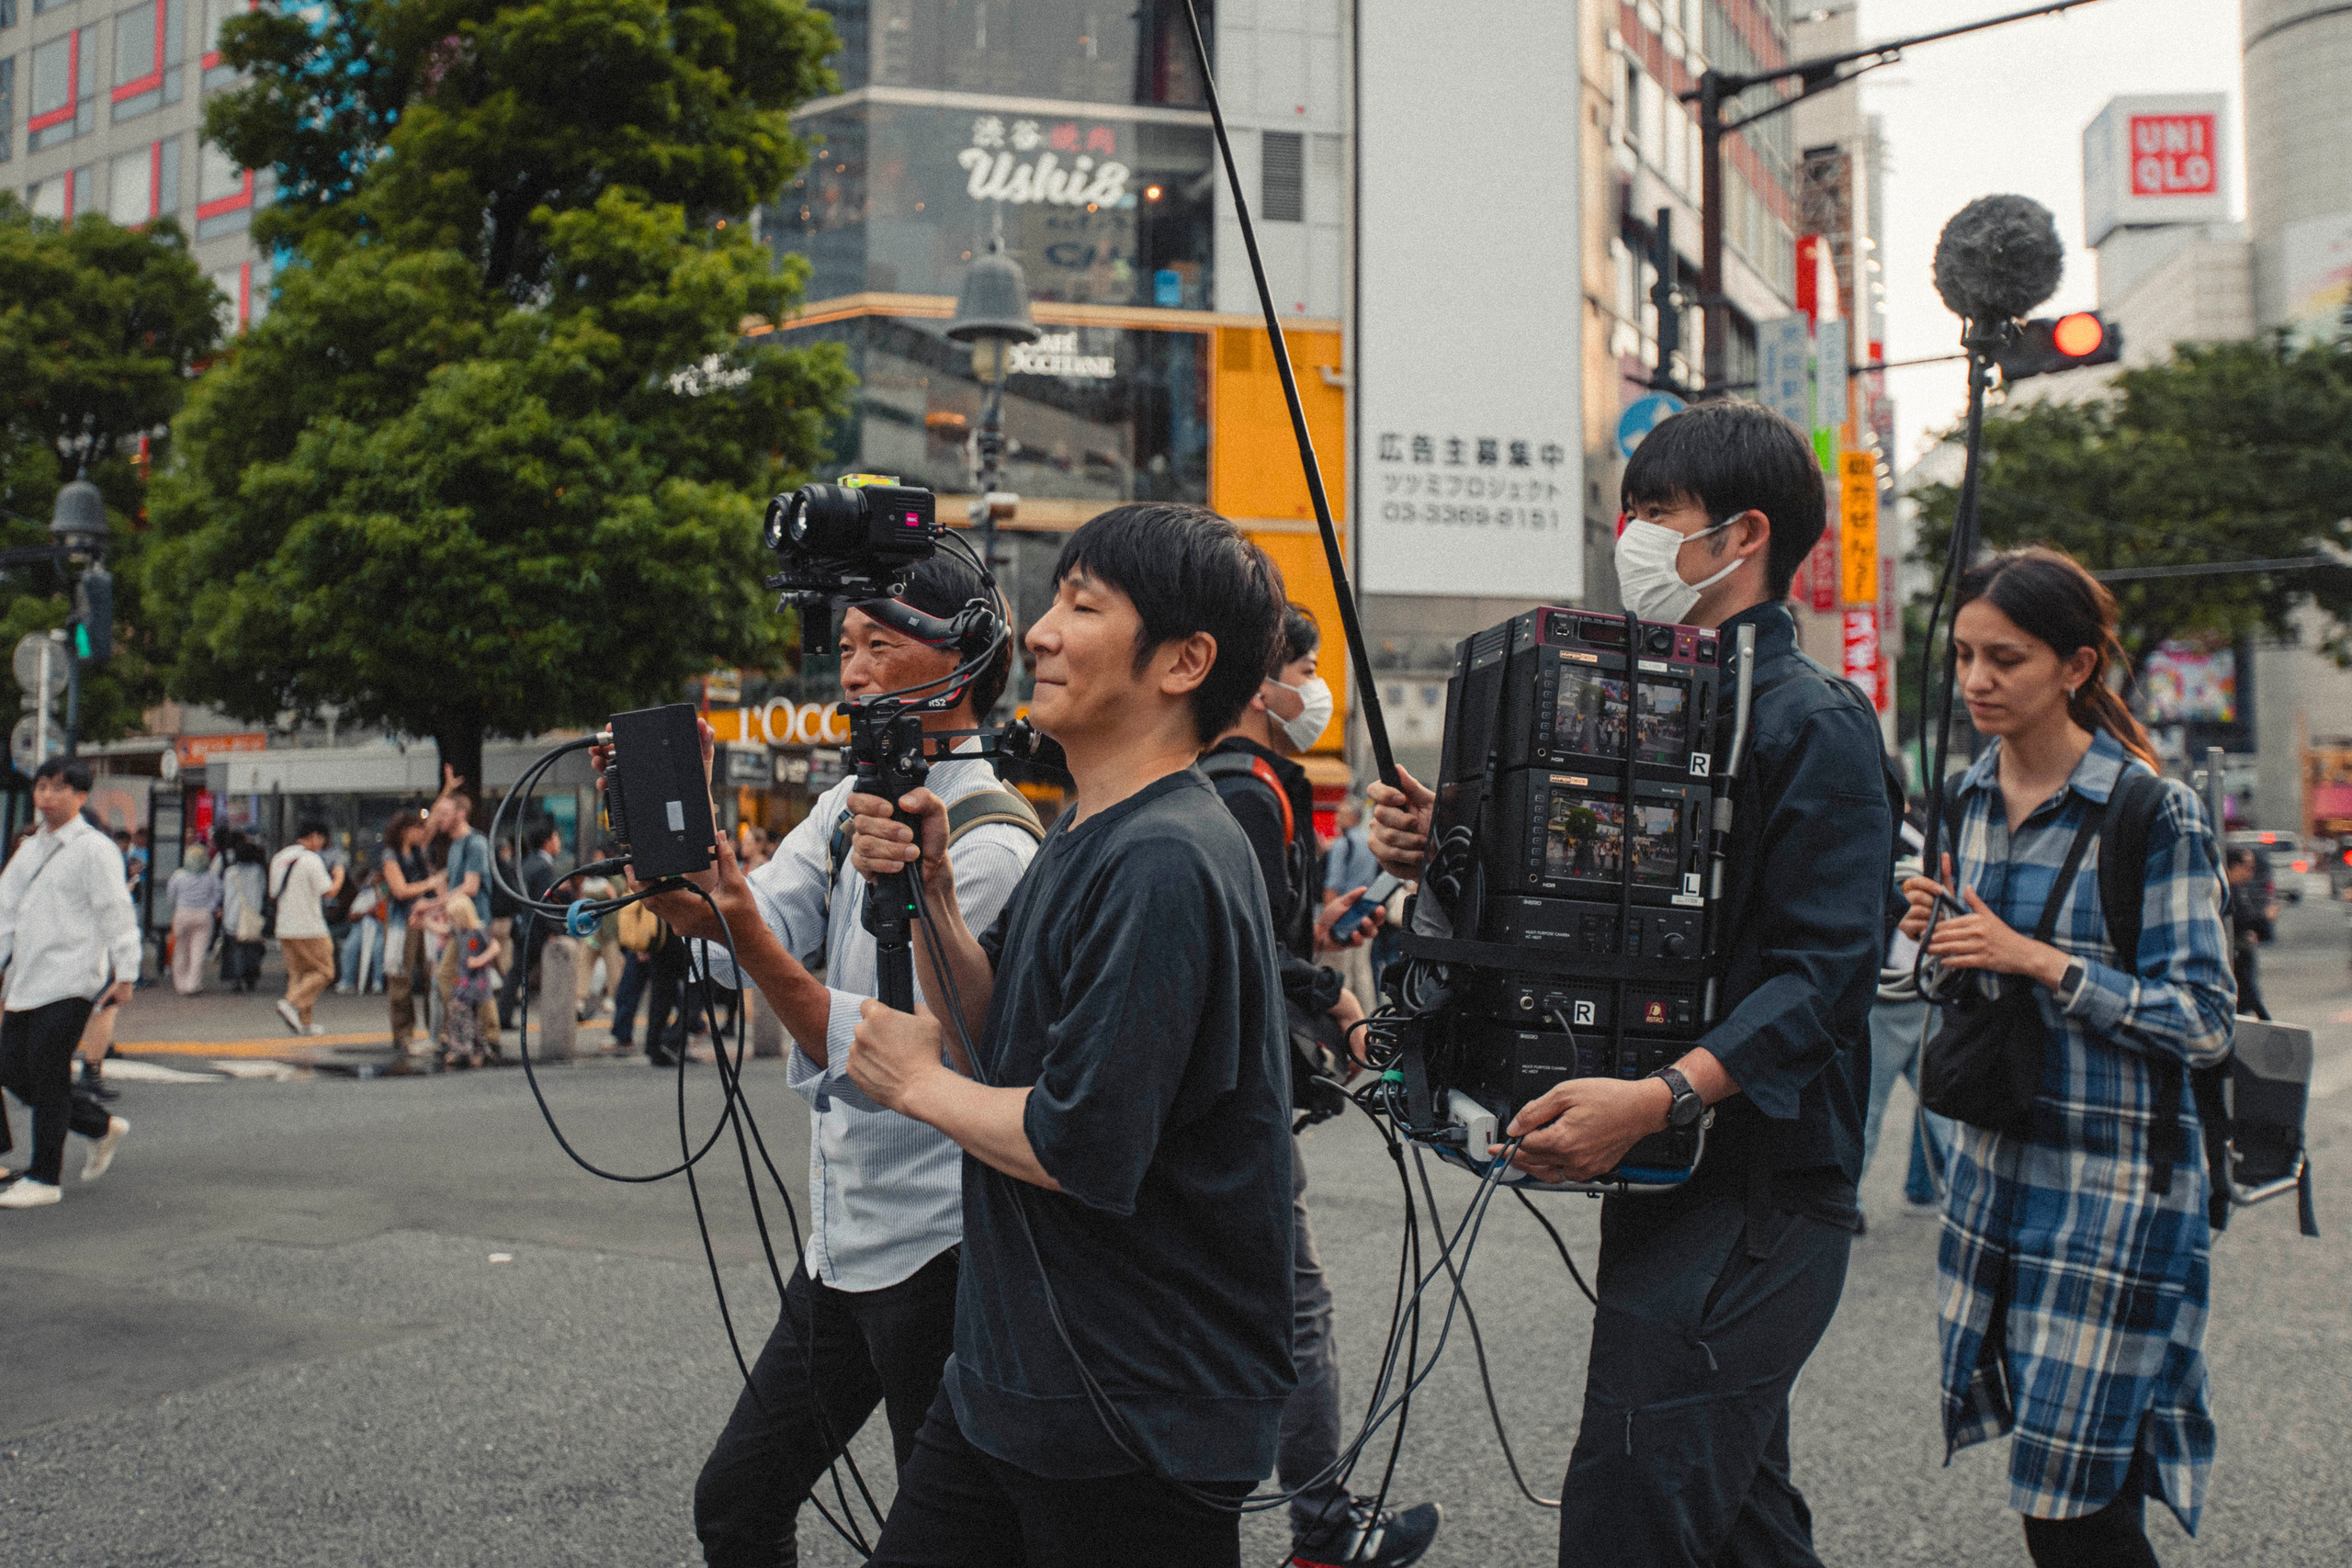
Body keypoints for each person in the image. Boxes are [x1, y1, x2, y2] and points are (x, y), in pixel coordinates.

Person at [1369, 400, 1898, 1568]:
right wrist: (1449, 849)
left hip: (1764, 1190)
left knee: (1629, 1511)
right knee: (1742, 1519)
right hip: (1674, 1177)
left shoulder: (1814, 721)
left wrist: (1659, 1095)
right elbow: (1608, 908)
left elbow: (1825, 978)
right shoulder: (1648, 699)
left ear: (1743, 535)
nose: (1633, 535)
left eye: (1657, 512)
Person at [842, 502, 1295, 1566]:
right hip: (1013, 1377)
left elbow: (1081, 1141)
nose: (1037, 631)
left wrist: (913, 1087)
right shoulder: (1094, 826)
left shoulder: (1169, 857)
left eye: (1080, 606)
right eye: (1051, 602)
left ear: (1185, 661)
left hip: (1133, 1411)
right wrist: (933, 896)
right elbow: (996, 1036)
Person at [622, 550, 1041, 1568]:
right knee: (736, 1503)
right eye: (843, 647)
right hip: (844, 1241)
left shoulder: (991, 844)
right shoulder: (844, 802)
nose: (849, 673)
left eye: (878, 645)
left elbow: (886, 1053)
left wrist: (740, 927)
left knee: (944, 1541)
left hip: (942, 1249)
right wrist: (687, 878)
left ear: (963, 656)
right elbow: (755, 930)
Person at [1901, 547, 2234, 1568]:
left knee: (2066, 1498)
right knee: (2083, 1474)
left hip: (2118, 1197)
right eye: (1962, 656)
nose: (1975, 682)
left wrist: (2037, 960)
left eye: (2006, 659)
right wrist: (1945, 938)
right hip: (1996, 1175)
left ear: (2077, 666)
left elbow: (2204, 1020)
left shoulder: (2149, 810)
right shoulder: (1961, 798)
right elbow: (1968, 988)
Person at [1202, 603, 1437, 1568]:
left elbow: (1258, 924)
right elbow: (1249, 947)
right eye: (1304, 665)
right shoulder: (1249, 787)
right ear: (1263, 683)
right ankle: (1323, 1528)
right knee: (1294, 1307)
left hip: (1229, 1083)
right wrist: (1341, 1010)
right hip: (1237, 1094)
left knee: (1235, 1305)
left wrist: (1324, 923)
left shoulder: (1248, 782)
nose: (1314, 688)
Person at [0, 759, 137, 1210]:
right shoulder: (32, 848)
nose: (46, 796)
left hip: (73, 979)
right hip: (27, 979)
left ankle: (44, 1177)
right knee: (9, 1066)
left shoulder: (95, 849)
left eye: (58, 788)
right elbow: (5, 913)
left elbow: (115, 912)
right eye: (41, 786)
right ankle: (97, 1126)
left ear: (81, 796)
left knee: (48, 1071)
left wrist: (126, 972)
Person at [433, 790, 501, 1055]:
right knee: (453, 976)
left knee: (473, 977)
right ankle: (465, 1032)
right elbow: (454, 887)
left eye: (445, 813)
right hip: (459, 923)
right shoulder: (455, 845)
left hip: (475, 921)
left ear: (461, 814)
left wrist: (432, 905)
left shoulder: (475, 843)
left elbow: (470, 887)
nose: (440, 819)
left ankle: (485, 1035)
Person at [269, 819, 345, 1035]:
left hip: (284, 926)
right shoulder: (311, 860)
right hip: (310, 927)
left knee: (299, 975)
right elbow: (329, 891)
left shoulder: (279, 858)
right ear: (314, 836)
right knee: (325, 971)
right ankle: (290, 1004)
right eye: (321, 839)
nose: (322, 844)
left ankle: (305, 1023)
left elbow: (273, 892)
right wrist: (339, 875)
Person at [382, 811, 445, 1052]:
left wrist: (447, 791)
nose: (422, 833)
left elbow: (432, 823)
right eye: (417, 829)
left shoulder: (420, 851)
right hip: (403, 919)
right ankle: (403, 1032)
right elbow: (399, 890)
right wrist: (431, 883)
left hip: (426, 917)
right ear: (405, 830)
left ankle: (436, 1030)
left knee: (433, 974)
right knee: (400, 977)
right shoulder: (391, 855)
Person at [499, 818, 565, 1031]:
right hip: (534, 931)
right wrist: (556, 930)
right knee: (523, 972)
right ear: (547, 841)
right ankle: (504, 1015)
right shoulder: (543, 867)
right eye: (556, 838)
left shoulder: (529, 864)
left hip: (522, 927)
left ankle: (504, 1014)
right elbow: (543, 903)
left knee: (516, 972)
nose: (559, 843)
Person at [437, 895, 503, 1069]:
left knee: (476, 1018)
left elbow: (495, 947)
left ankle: (477, 1050)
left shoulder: (478, 930)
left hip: (477, 981)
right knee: (460, 1014)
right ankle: (461, 1047)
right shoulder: (460, 932)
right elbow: (443, 929)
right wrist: (424, 923)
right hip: (464, 981)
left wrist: (480, 959)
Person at [165, 845, 222, 996]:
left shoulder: (178, 875)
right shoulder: (211, 876)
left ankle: (181, 984)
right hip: (203, 915)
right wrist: (210, 906)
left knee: (180, 950)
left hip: (182, 914)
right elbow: (217, 894)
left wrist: (179, 905)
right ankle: (193, 984)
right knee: (198, 952)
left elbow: (171, 896)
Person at [2225, 847, 2273, 1021]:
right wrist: (2263, 917)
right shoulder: (2227, 890)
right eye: (2248, 867)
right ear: (2235, 866)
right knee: (2248, 997)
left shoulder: (2241, 889)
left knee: (2249, 999)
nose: (2250, 873)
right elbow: (2239, 918)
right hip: (2236, 956)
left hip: (2242, 953)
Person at [220, 837, 267, 993]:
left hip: (233, 916)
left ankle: (237, 978)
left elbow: (225, 893)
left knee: (236, 948)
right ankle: (251, 978)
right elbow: (263, 891)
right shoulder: (258, 872)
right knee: (252, 948)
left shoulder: (229, 872)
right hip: (252, 916)